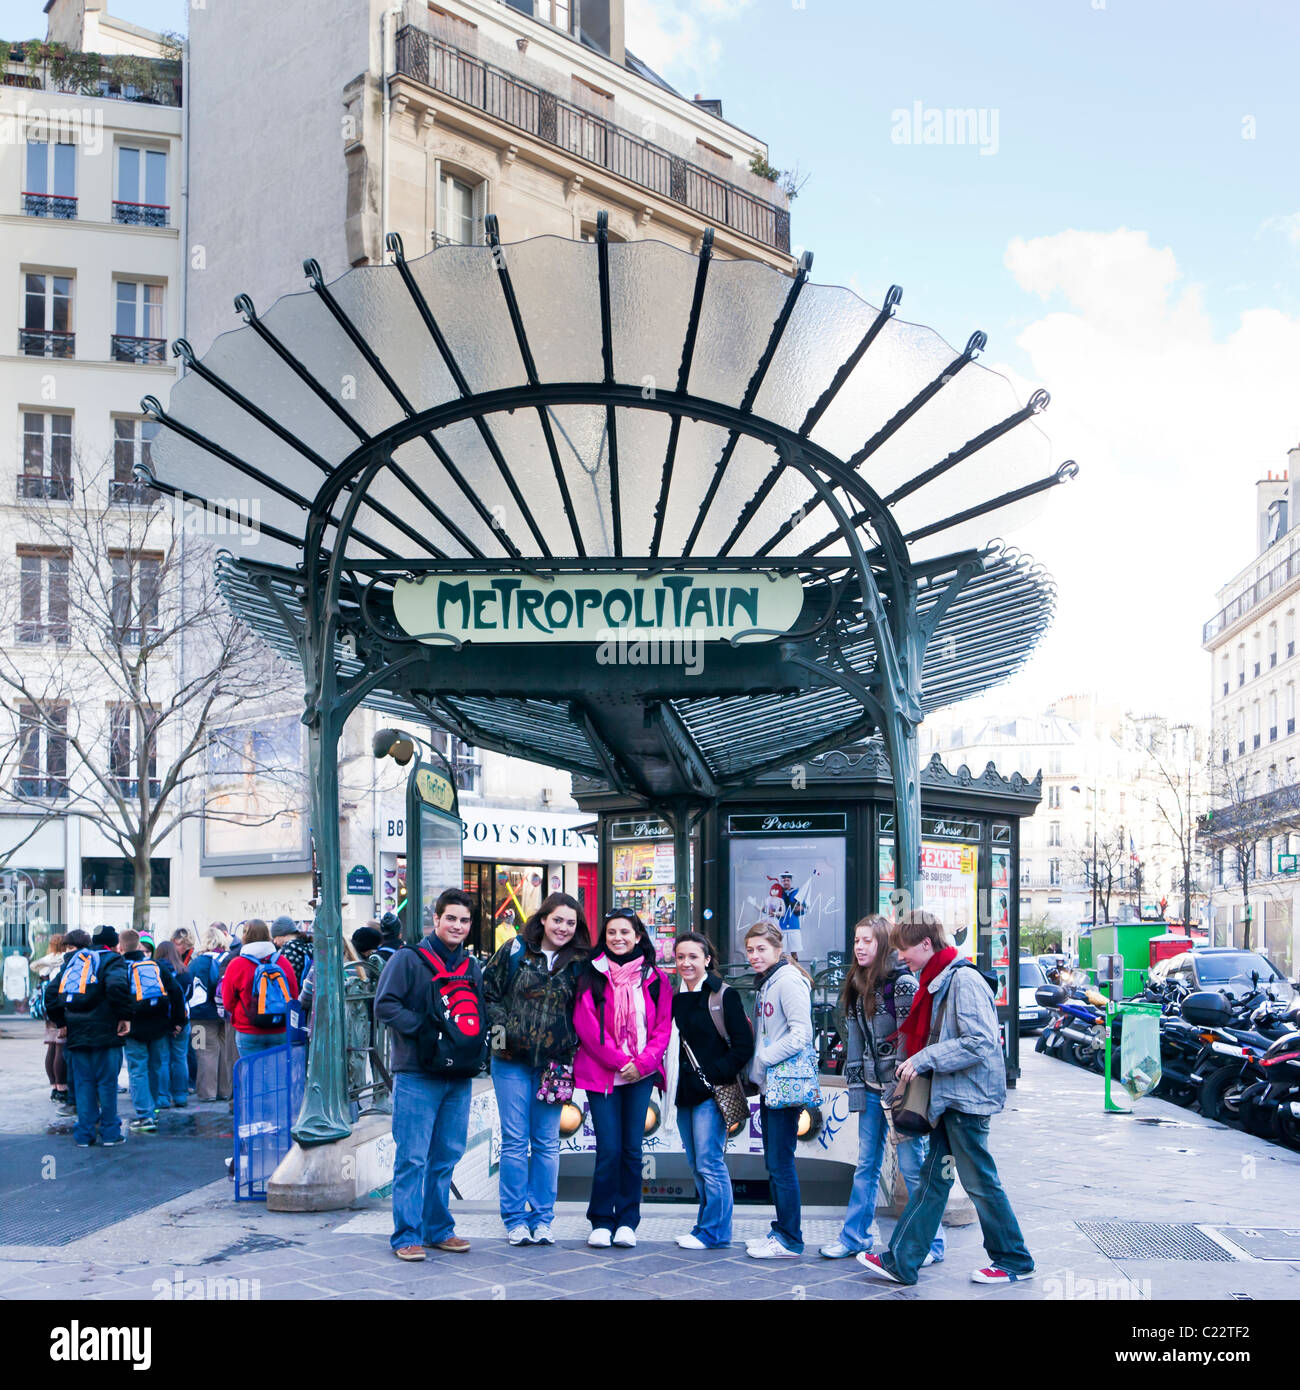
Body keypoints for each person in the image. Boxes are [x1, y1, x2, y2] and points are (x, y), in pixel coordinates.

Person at [858, 910, 1035, 1288]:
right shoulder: (941, 977)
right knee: (935, 1181)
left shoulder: (962, 980)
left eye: (906, 951)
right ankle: (903, 1261)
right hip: (952, 1102)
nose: (902, 958)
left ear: (926, 943)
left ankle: (1013, 1258)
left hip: (966, 1103)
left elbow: (981, 1041)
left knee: (978, 1180)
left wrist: (924, 1058)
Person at [819, 915, 945, 1265]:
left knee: (912, 1166)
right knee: (866, 1165)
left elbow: (911, 1040)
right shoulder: (860, 983)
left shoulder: (901, 983)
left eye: (867, 941)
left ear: (884, 944)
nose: (859, 946)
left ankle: (931, 1243)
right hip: (873, 1092)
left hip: (900, 1092)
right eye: (856, 940)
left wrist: (897, 1089)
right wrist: (856, 1087)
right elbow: (855, 1042)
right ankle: (854, 1237)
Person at [374, 888, 486, 1260]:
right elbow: (384, 1004)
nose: (457, 925)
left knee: (447, 1155)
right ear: (436, 920)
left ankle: (439, 1228)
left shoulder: (470, 966)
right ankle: (407, 1234)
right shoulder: (408, 960)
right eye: (450, 918)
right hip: (417, 1073)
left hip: (458, 1075)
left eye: (464, 920)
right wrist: (421, 1028)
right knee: (413, 1158)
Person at [483, 891, 590, 1245]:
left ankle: (542, 1218)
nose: (563, 928)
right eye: (557, 920)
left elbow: (588, 1010)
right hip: (510, 1061)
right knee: (515, 1141)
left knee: (546, 1143)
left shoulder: (579, 963)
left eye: (570, 923)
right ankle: (515, 1219)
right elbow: (489, 992)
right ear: (542, 918)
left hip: (556, 1065)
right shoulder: (515, 951)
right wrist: (506, 1032)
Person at [573, 909, 671, 1249]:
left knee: (632, 1150)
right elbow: (586, 1026)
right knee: (609, 1149)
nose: (618, 938)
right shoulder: (591, 973)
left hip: (641, 1076)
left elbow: (662, 1028)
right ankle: (601, 1220)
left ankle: (628, 1220)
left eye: (625, 932)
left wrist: (642, 1064)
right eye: (612, 932)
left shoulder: (655, 978)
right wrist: (621, 1062)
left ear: (638, 936)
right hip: (603, 1075)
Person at [671, 932, 753, 1250]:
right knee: (696, 1163)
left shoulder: (723, 995)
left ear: (707, 959)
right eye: (681, 957)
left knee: (710, 1162)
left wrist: (710, 1074)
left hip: (713, 1092)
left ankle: (716, 1232)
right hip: (683, 1092)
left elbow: (743, 1047)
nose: (686, 963)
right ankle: (705, 1225)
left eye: (693, 956)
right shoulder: (675, 997)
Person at [743, 919, 814, 1260]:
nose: (754, 956)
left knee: (781, 1164)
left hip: (784, 1084)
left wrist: (764, 1059)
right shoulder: (769, 982)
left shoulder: (787, 981)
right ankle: (782, 1231)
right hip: (772, 1084)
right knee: (775, 1163)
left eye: (761, 949)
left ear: (777, 949)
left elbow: (802, 1033)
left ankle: (790, 1238)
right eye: (750, 950)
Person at [44, 928, 132, 1148]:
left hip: (77, 1032)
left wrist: (61, 1022)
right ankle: (110, 1133)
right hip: (106, 1033)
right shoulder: (113, 960)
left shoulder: (75, 961)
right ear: (113, 945)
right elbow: (116, 987)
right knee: (107, 1084)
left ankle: (84, 1134)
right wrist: (124, 1016)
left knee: (83, 1085)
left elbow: (50, 994)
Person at [111, 928, 187, 1133]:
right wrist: (177, 1021)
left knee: (138, 1070)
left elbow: (115, 996)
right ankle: (152, 1109)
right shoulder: (154, 965)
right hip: (159, 1026)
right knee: (155, 1067)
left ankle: (144, 1116)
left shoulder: (119, 967)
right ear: (138, 945)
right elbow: (175, 992)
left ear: (120, 947)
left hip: (133, 1028)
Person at [220, 919, 299, 1057]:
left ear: (245, 936)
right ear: (268, 935)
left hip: (248, 1030)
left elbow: (228, 1003)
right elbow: (293, 995)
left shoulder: (236, 964)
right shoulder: (283, 962)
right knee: (277, 1074)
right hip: (279, 1028)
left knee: (252, 1074)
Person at [189, 925, 232, 1101]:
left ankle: (207, 1093)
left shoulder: (197, 962)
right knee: (224, 1052)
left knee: (204, 1052)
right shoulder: (229, 959)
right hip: (225, 1013)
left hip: (200, 1016)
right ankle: (225, 1091)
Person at [33, 933, 71, 1109]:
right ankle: (62, 1088)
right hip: (59, 1007)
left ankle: (54, 1087)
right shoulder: (64, 960)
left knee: (51, 1046)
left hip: (47, 1009)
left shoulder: (46, 960)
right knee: (60, 1046)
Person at [154, 940, 193, 1109]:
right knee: (180, 1057)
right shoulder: (185, 972)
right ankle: (180, 1096)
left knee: (162, 1059)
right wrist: (179, 1022)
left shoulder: (154, 970)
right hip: (182, 1021)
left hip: (161, 1021)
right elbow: (189, 996)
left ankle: (163, 1097)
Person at [273, 916, 313, 986]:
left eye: (275, 937)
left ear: (283, 933)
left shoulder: (287, 951)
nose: (275, 941)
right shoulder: (308, 946)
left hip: (295, 995)